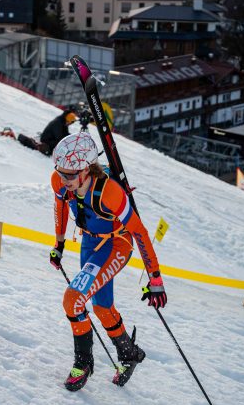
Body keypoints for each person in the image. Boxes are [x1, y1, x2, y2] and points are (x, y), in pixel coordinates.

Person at [49, 132, 167, 391]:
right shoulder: (60, 182)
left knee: (73, 299)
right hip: (90, 243)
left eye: (70, 174)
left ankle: (84, 363)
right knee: (102, 308)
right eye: (60, 172)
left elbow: (139, 232)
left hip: (116, 244)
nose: (63, 179)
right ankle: (129, 353)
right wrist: (59, 245)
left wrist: (155, 278)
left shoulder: (109, 192)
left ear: (87, 168)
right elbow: (60, 209)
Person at [0, 109, 77, 156]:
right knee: (49, 148)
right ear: (67, 119)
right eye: (70, 122)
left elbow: (65, 134)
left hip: (51, 139)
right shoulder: (58, 123)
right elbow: (60, 137)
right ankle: (21, 138)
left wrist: (73, 137)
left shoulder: (63, 122)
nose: (70, 124)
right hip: (46, 140)